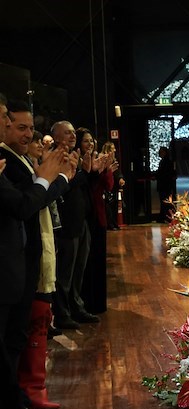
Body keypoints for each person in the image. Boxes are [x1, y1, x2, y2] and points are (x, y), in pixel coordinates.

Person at [0, 92, 71, 409]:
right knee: (10, 345)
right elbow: (26, 204)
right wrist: (54, 179)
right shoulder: (8, 161)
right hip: (13, 263)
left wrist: (51, 178)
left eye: (30, 127)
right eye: (17, 125)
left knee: (13, 342)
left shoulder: (17, 159)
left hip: (19, 262)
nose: (25, 133)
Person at [51, 121, 100, 329]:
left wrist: (90, 171)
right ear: (56, 136)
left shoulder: (75, 156)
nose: (72, 136)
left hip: (81, 220)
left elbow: (80, 183)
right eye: (67, 133)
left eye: (73, 132)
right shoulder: (56, 157)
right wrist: (82, 172)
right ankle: (62, 313)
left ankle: (77, 307)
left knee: (79, 269)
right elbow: (63, 187)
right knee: (65, 272)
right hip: (67, 223)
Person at [79, 129, 115, 315]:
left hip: (98, 213)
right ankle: (87, 304)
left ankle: (98, 304)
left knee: (98, 260)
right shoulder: (80, 163)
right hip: (87, 215)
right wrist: (94, 171)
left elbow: (108, 186)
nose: (90, 144)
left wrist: (106, 170)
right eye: (86, 141)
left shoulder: (98, 160)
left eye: (91, 141)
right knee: (88, 263)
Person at [101, 141, 124, 230]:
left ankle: (114, 223)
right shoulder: (104, 159)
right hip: (106, 186)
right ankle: (110, 224)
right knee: (108, 206)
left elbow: (118, 171)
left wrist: (120, 178)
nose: (114, 150)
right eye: (112, 148)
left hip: (114, 185)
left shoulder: (114, 159)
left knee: (114, 205)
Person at [156, 145, 176, 222]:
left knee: (165, 202)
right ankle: (164, 217)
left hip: (164, 185)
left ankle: (166, 217)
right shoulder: (167, 161)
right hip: (166, 185)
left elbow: (163, 174)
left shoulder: (165, 162)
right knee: (165, 202)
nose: (159, 153)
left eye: (160, 152)